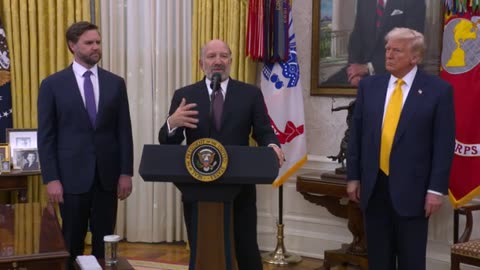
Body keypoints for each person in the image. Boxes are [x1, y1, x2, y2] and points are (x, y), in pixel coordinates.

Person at [158, 39, 284, 270]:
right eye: (212, 56)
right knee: (201, 245)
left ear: (231, 61)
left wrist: (272, 145)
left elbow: (264, 131)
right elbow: (169, 141)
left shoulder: (250, 94)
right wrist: (172, 123)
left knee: (245, 245)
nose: (218, 61)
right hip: (197, 186)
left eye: (223, 56)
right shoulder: (185, 94)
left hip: (239, 186)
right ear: (201, 63)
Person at [346, 27, 455, 270]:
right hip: (374, 188)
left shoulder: (438, 91)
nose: (388, 55)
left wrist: (436, 190)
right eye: (387, 49)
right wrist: (353, 176)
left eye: (397, 50)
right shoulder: (370, 86)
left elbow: (443, 144)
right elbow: (357, 135)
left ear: (415, 57)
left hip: (414, 192)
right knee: (378, 261)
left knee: (411, 261)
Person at [37, 21, 134, 270]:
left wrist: (126, 172)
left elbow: (124, 132)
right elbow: (46, 137)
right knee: (71, 241)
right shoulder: (52, 85)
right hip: (70, 180)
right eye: (89, 43)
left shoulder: (116, 83)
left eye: (98, 42)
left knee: (105, 243)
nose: (95, 47)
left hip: (107, 178)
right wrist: (52, 179)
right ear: (72, 46)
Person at [323, 0, 425, 87]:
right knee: (327, 85)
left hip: (395, 72)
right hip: (361, 70)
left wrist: (369, 68)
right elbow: (356, 38)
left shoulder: (414, 2)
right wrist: (353, 72)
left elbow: (411, 45)